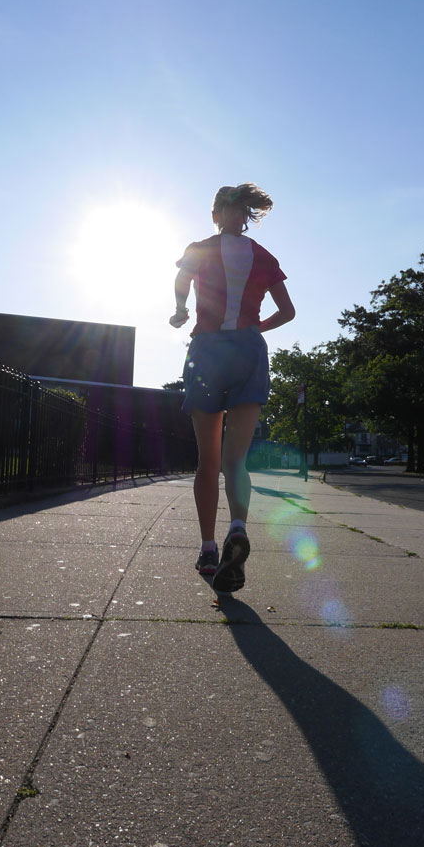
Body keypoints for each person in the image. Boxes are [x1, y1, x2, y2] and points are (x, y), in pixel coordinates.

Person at [169, 183, 295, 593]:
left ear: (216, 215)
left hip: (207, 351)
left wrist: (180, 310)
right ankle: (237, 526)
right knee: (235, 461)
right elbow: (288, 312)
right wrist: (255, 328)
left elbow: (182, 283)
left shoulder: (199, 247)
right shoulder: (263, 255)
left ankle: (208, 548)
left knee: (208, 460)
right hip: (248, 352)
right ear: (245, 216)